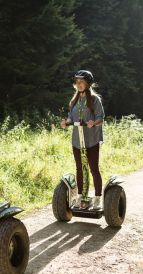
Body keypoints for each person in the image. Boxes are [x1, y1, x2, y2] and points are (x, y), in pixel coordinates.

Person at [61, 70, 105, 209]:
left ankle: (98, 198)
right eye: (77, 82)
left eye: (82, 82)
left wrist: (94, 122)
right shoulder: (74, 100)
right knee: (79, 168)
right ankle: (81, 196)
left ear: (88, 83)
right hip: (77, 140)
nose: (78, 84)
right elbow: (71, 117)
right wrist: (66, 122)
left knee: (93, 168)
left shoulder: (94, 99)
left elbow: (100, 118)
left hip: (91, 139)